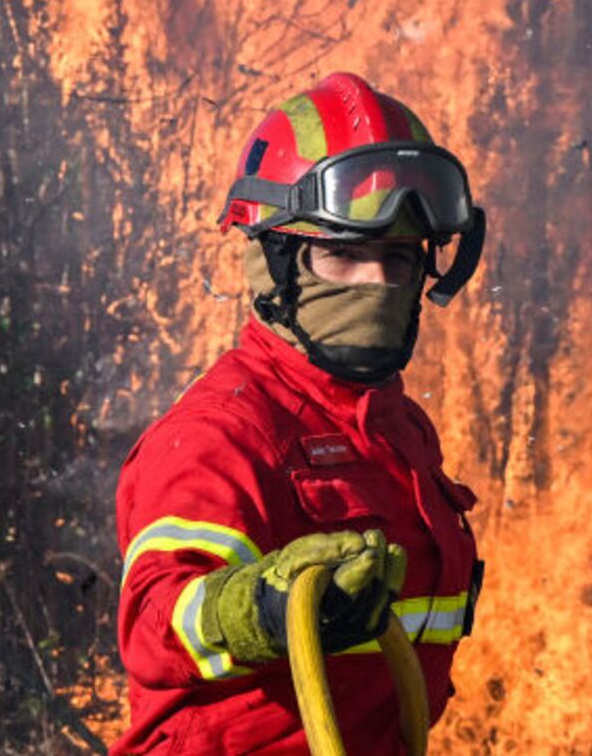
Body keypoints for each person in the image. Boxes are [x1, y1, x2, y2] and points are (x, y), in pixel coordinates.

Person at [112, 72, 486, 755]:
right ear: (274, 264)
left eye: (397, 259)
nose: (376, 282)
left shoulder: (397, 432)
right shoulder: (221, 433)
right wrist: (262, 607)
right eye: (343, 255)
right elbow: (151, 627)